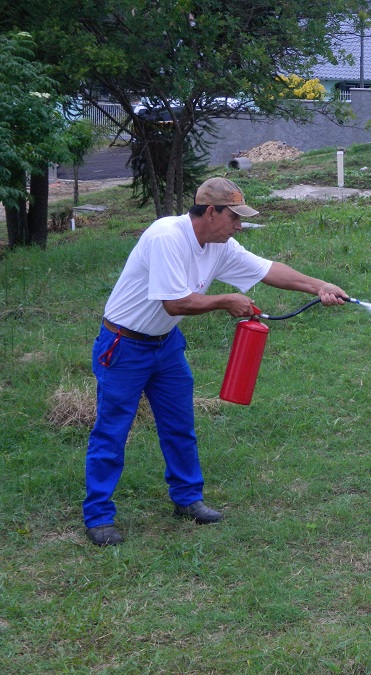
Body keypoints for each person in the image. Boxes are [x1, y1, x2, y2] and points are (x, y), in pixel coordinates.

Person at [83, 177, 348, 546]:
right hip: (124, 345)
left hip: (166, 344)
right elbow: (174, 303)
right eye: (234, 217)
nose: (239, 225)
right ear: (211, 212)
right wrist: (226, 300)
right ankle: (98, 516)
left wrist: (319, 285)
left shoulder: (220, 243)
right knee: (112, 431)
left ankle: (187, 499)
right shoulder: (166, 237)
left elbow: (268, 270)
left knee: (179, 425)